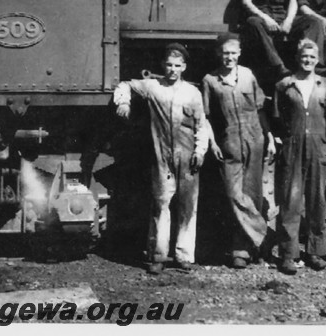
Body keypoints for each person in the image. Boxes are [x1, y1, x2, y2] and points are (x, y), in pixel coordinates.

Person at [113, 43, 209, 275]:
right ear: (163, 65)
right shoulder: (153, 87)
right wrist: (123, 101)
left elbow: (201, 125)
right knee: (161, 204)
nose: (172, 69)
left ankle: (184, 255)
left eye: (177, 65)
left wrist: (199, 151)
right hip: (162, 156)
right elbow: (125, 84)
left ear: (184, 67)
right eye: (169, 64)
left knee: (188, 206)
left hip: (187, 157)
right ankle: (157, 255)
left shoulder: (192, 93)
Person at [272, 38, 326, 275]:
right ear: (297, 57)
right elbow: (276, 116)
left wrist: (321, 140)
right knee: (290, 201)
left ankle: (315, 251)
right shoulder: (285, 85)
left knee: (317, 201)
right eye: (304, 57)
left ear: (317, 60)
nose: (308, 61)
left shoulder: (325, 85)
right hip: (292, 146)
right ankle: (288, 254)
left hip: (317, 146)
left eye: (312, 57)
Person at [202, 34, 275, 269]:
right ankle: (265, 236)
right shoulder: (210, 80)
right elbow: (205, 116)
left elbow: (260, 108)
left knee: (252, 193)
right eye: (225, 53)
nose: (229, 57)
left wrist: (271, 138)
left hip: (255, 138)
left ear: (239, 53)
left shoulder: (248, 75)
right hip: (229, 141)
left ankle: (242, 250)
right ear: (218, 54)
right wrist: (212, 142)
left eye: (233, 53)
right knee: (234, 195)